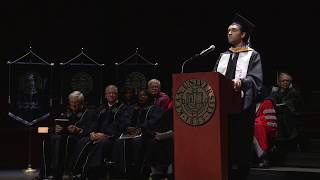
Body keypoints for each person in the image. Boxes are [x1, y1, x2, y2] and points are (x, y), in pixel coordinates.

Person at [213, 13, 263, 180]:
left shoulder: (253, 55)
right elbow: (214, 78)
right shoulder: (223, 55)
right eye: (228, 30)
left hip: (242, 108)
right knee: (223, 147)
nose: (229, 33)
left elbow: (256, 80)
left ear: (243, 34)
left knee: (240, 147)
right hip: (222, 109)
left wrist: (242, 82)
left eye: (233, 30)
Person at [69, 85, 127, 179]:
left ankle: (89, 174)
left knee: (100, 144)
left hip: (111, 138)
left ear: (117, 95)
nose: (111, 95)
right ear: (105, 95)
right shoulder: (101, 108)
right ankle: (75, 170)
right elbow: (94, 123)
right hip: (96, 135)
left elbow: (121, 125)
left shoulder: (123, 108)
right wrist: (92, 133)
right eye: (109, 93)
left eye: (114, 93)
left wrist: (105, 135)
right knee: (83, 141)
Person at [38, 91, 97, 179]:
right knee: (48, 139)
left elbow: (92, 129)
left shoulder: (89, 113)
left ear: (81, 103)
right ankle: (45, 173)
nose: (73, 104)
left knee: (65, 140)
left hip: (79, 137)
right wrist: (56, 129)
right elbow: (59, 124)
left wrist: (78, 130)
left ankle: (58, 173)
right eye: (71, 102)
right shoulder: (66, 112)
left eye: (75, 102)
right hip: (64, 136)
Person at [114, 89, 162, 180]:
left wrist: (140, 128)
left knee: (137, 141)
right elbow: (124, 119)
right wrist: (128, 127)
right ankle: (123, 171)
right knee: (119, 142)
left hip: (145, 134)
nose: (142, 97)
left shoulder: (154, 108)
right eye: (140, 95)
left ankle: (138, 171)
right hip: (130, 134)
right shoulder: (132, 108)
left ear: (149, 97)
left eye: (144, 95)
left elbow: (154, 121)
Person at [270, 72, 302, 144]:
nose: (285, 82)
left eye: (287, 81)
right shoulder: (275, 92)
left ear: (290, 82)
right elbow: (271, 101)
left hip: (289, 116)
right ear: (279, 82)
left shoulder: (294, 92)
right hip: (276, 115)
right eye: (283, 81)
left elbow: (293, 104)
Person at [253, 87, 278, 168]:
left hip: (265, 133)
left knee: (257, 125)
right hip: (254, 132)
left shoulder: (267, 102)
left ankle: (263, 158)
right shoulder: (250, 102)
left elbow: (270, 124)